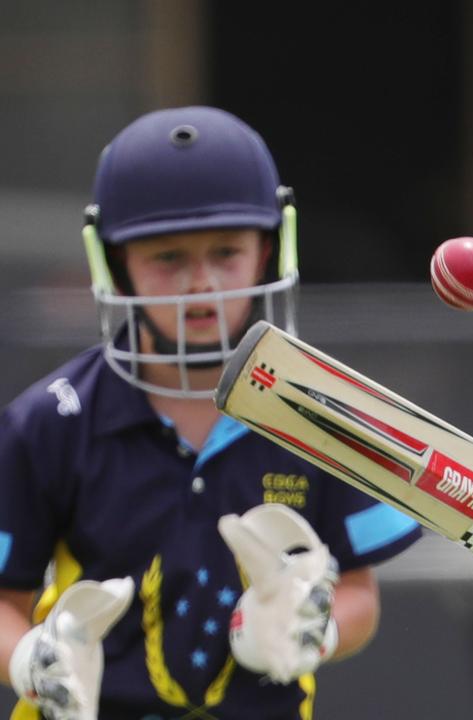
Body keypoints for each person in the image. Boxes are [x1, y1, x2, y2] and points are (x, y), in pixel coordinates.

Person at [0, 106, 421, 719]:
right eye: (167, 257)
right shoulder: (50, 420)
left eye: (226, 251)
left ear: (270, 248)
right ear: (114, 263)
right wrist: (31, 660)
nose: (201, 284)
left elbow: (359, 596)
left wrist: (310, 630)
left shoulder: (321, 411)